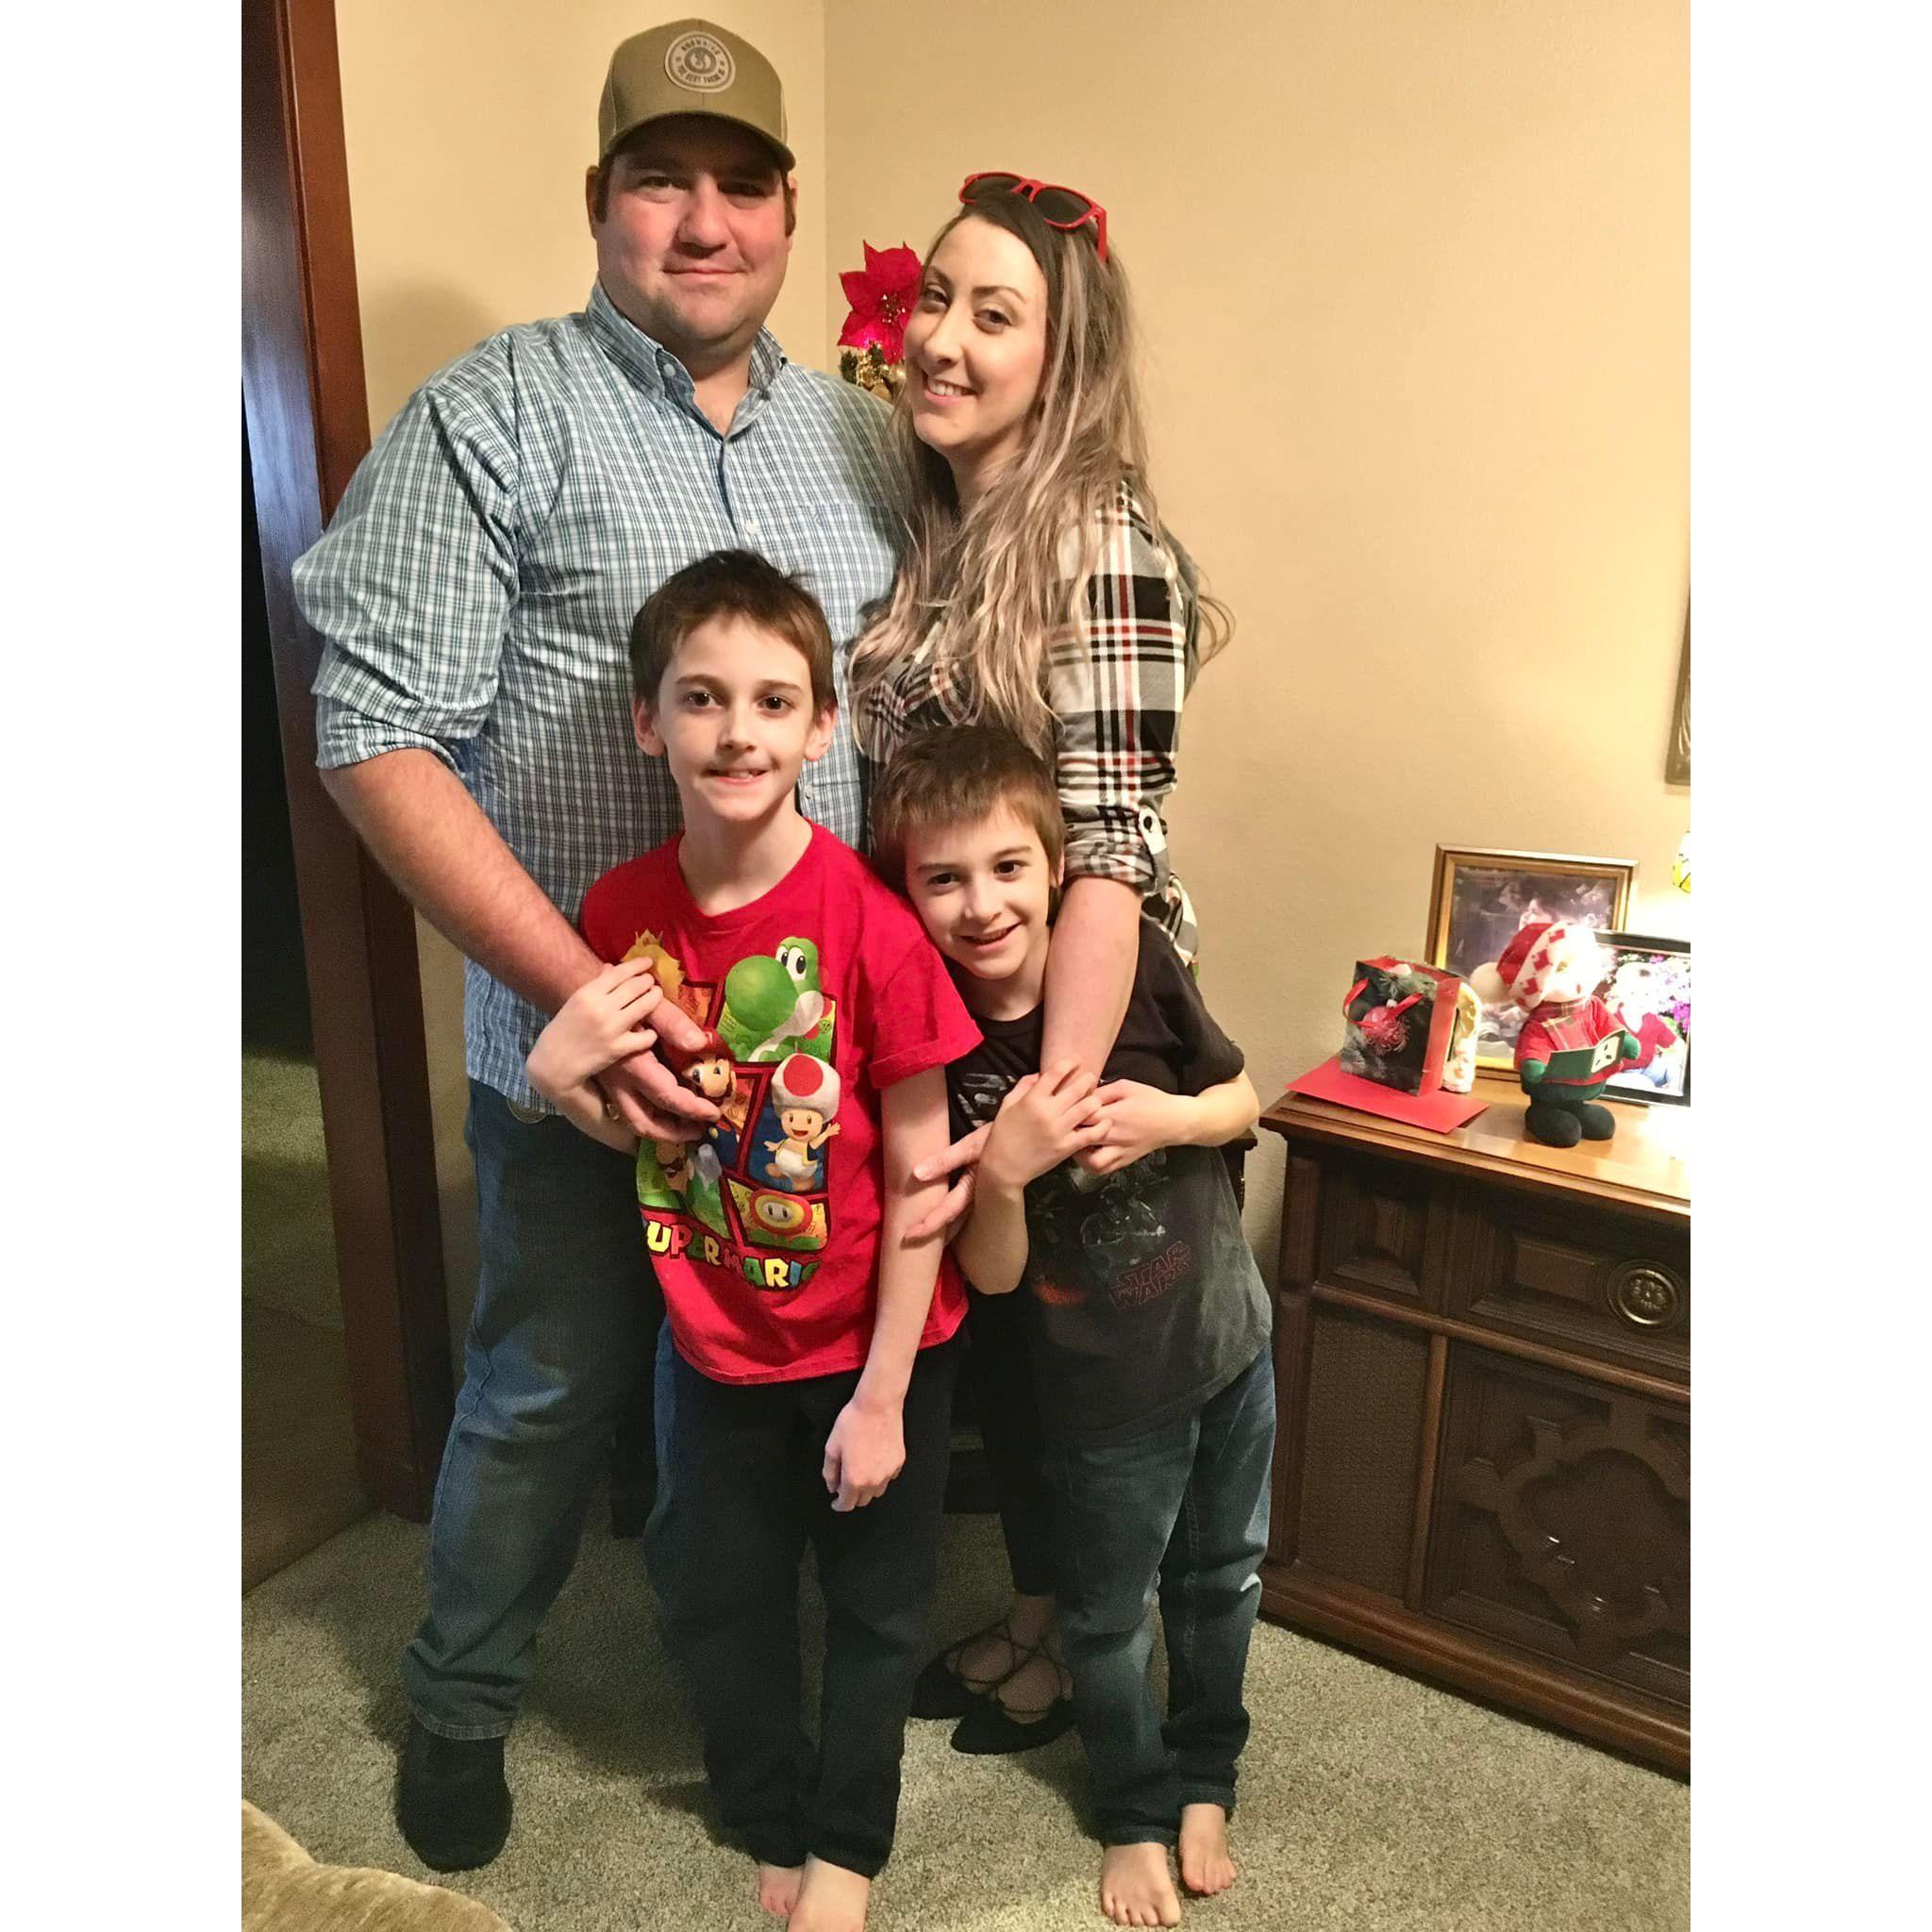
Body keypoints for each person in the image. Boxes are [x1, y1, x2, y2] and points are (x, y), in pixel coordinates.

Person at [291, 20, 901, 1871]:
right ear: (601, 202)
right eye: (661, 179)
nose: (701, 221)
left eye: (738, 183)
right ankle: (462, 1702)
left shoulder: (861, 438)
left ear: (786, 209)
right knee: (544, 1391)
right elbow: (372, 729)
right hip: (573, 1075)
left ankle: (772, 1718)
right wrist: (587, 998)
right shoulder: (495, 411)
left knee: (781, 1391)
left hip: (804, 1080)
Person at [527, 551, 978, 1932]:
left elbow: (922, 1175)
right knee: (714, 1599)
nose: (740, 732)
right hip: (712, 1347)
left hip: (873, 1347)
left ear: (822, 728)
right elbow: (663, 1142)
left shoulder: (875, 930)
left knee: (876, 1611)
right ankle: (766, 1809)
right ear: (648, 723)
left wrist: (888, 1396)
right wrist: (563, 1091)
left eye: (775, 702)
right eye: (705, 699)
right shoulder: (618, 918)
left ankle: (847, 1843)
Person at [848, 173, 1232, 1752]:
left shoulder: (1101, 543)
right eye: (934, 298)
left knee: (1081, 1374)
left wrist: (1055, 1106)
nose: (941, 337)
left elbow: (1111, 843)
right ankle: (1028, 1616)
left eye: (990, 314)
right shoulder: (944, 522)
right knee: (1006, 1355)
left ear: (1062, 356)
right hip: (966, 1009)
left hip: (1075, 1015)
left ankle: (1093, 1645)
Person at [871, 726, 1274, 1930]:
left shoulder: (1131, 955)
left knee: (1222, 1578)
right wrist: (1002, 1173)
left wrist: (1170, 1118)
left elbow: (1242, 1097)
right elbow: (988, 1279)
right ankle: (1134, 1807)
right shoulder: (939, 1039)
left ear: (1055, 866)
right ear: (908, 892)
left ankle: (1207, 1774)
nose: (981, 903)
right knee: (1105, 1618)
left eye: (1006, 867)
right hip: (1098, 1397)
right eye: (943, 878)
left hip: (1226, 1345)